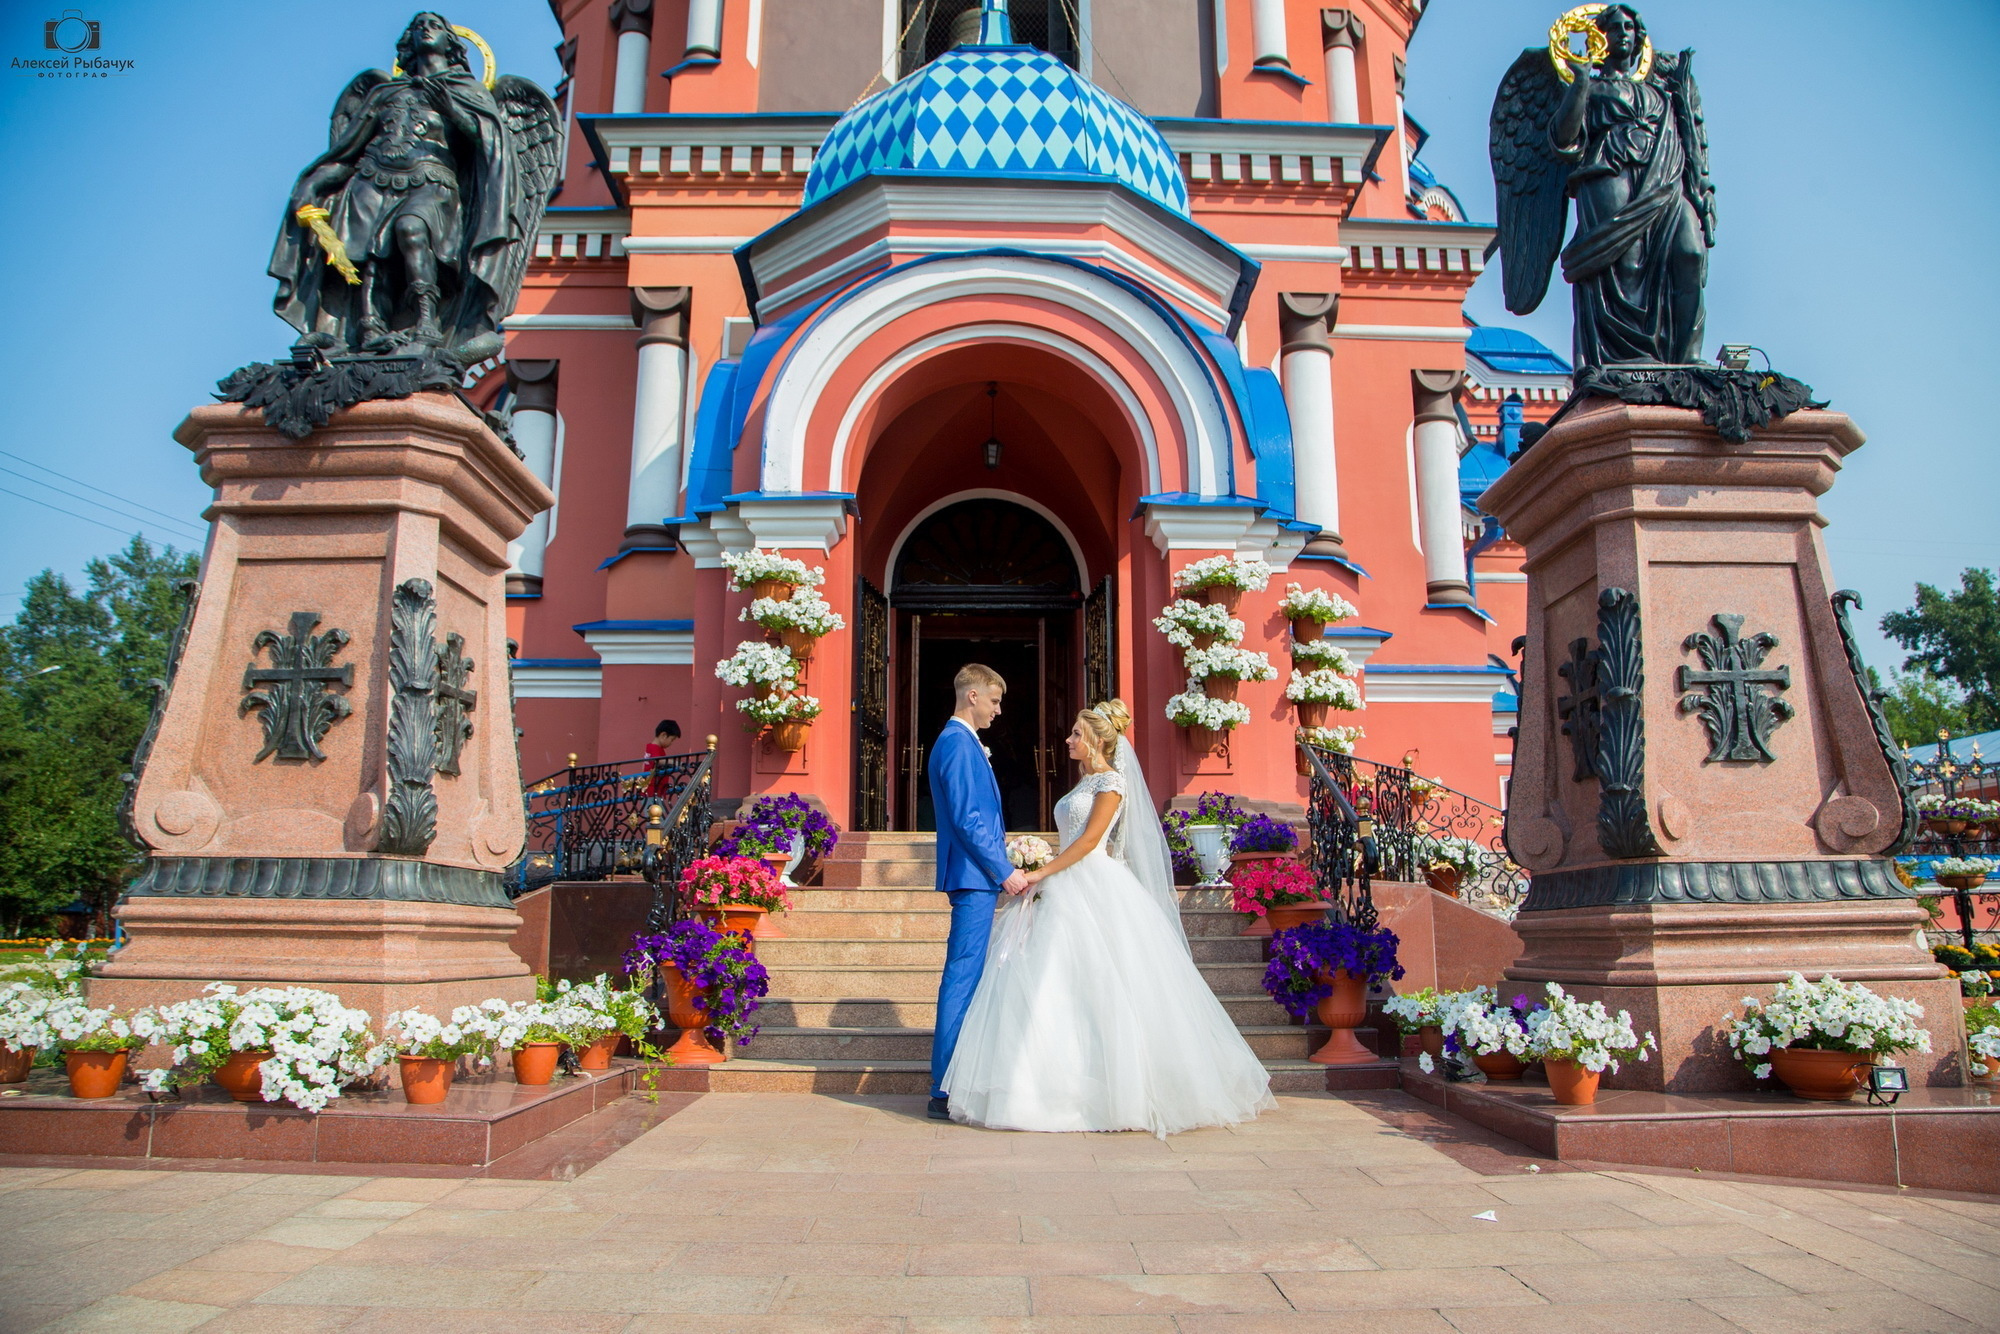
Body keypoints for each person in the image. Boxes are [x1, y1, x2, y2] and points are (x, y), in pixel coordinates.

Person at [943, 700, 1275, 1136]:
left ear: (1097, 740)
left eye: (1076, 734)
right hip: (1064, 882)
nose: (1068, 740)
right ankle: (1040, 1086)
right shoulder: (1083, 781)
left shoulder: (1112, 783)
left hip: (1092, 882)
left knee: (1100, 981)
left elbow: (1088, 843)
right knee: (1051, 980)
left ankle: (1114, 1090)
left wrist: (1040, 871)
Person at [926, 664, 1031, 1122]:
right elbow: (968, 818)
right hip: (973, 876)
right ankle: (943, 1087)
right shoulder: (956, 743)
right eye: (994, 700)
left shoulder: (963, 743)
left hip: (976, 872)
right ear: (972, 696)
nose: (998, 710)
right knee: (963, 977)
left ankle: (955, 1078)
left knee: (969, 975)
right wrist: (1003, 870)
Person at [644, 719, 681, 798]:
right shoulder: (654, 748)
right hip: (652, 790)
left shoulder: (653, 748)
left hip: (656, 789)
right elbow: (658, 760)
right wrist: (675, 762)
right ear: (664, 735)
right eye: (672, 740)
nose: (671, 743)